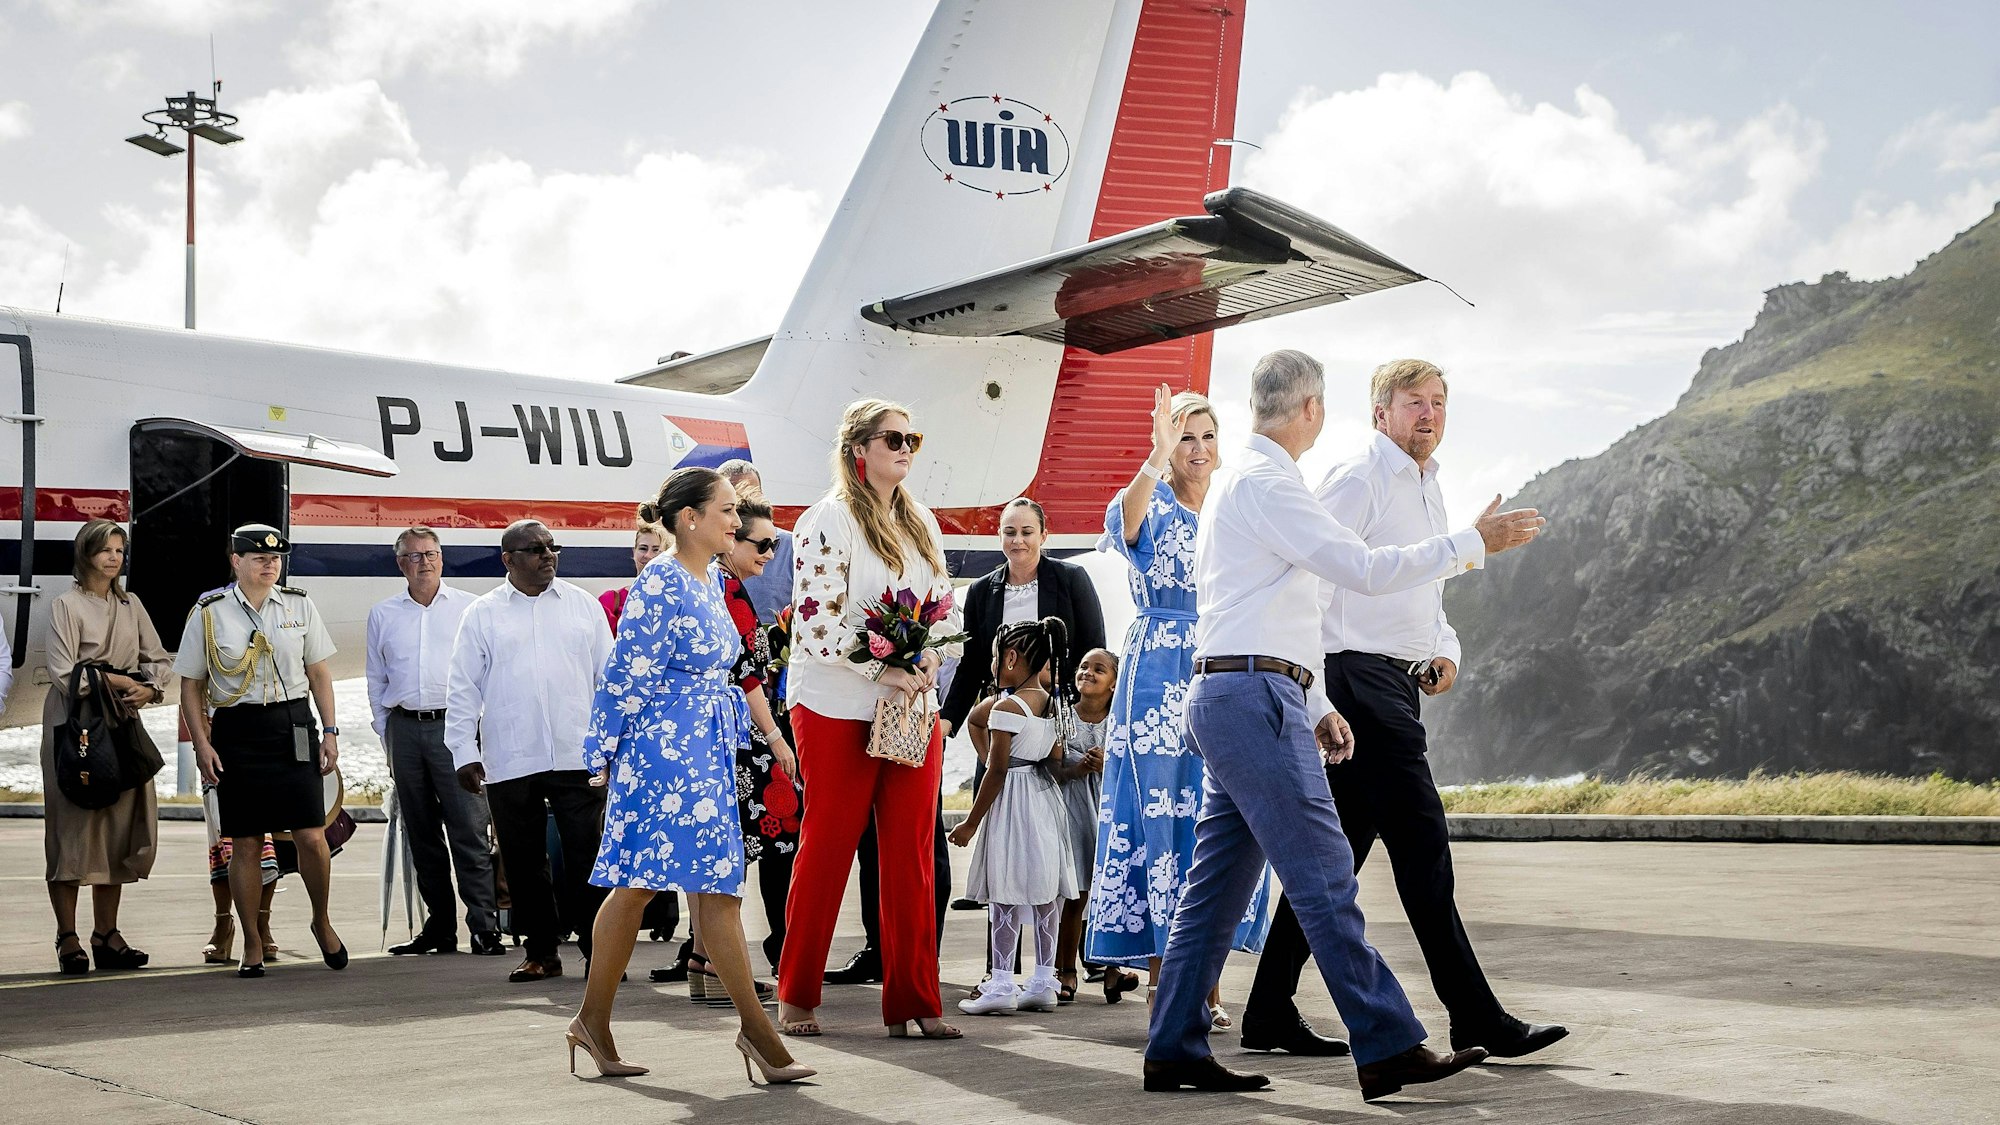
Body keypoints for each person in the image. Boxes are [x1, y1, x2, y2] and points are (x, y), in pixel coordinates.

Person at [1141, 349, 1543, 1099]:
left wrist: (1318, 703)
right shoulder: (1271, 485)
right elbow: (1360, 568)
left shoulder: (1241, 484)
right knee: (1327, 875)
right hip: (1254, 700)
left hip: (1243, 692)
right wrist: (1471, 546)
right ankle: (1388, 1043)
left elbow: (1284, 609)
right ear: (1313, 410)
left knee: (1215, 888)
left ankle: (1173, 1048)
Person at [1243, 359, 1568, 1060]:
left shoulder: (1429, 486)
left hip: (1396, 684)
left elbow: (1427, 596)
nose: (1429, 413)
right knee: (1424, 850)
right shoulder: (1360, 478)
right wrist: (1322, 695)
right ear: (1378, 412)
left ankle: (1268, 1008)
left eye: (1439, 401)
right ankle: (1474, 1014)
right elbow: (1313, 586)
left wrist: (1444, 649)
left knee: (1333, 861)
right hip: (1355, 685)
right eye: (1414, 401)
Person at [568, 468, 816, 1084]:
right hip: (663, 755)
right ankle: (596, 1023)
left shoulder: (710, 581)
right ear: (690, 519)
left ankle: (752, 1032)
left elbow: (734, 672)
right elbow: (626, 674)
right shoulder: (661, 581)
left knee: (718, 890)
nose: (738, 522)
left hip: (704, 750)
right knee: (638, 888)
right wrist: (602, 751)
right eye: (728, 510)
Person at [776, 398, 964, 1040]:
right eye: (893, 438)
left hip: (911, 705)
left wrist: (931, 657)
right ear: (860, 449)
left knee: (912, 850)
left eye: (914, 436)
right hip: (834, 703)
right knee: (828, 842)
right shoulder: (822, 521)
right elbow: (818, 618)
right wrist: (880, 667)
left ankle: (915, 1000)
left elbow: (944, 607)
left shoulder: (923, 524)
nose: (907, 446)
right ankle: (797, 995)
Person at [1085, 385, 1267, 1023]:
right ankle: (1169, 989)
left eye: (1206, 436)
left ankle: (1202, 988)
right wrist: (1152, 458)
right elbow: (1124, 525)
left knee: (1214, 822)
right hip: (1157, 672)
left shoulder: (1233, 507)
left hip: (1222, 662)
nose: (1197, 448)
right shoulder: (1151, 501)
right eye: (1186, 436)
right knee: (1159, 821)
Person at [176, 524, 347, 979]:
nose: (270, 564)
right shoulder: (210, 611)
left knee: (311, 833)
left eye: (275, 558)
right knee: (247, 842)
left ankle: (321, 920)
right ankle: (252, 939)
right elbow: (191, 685)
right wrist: (201, 743)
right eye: (258, 558)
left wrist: (329, 732)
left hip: (291, 723)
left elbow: (319, 673)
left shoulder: (299, 604)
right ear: (236, 562)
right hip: (238, 729)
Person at [447, 519, 613, 983]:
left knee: (587, 855)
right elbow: (462, 687)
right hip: (511, 753)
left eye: (551, 547)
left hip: (576, 752)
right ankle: (541, 952)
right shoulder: (482, 614)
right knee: (522, 859)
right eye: (535, 549)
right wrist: (462, 750)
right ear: (508, 560)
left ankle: (599, 950)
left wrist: (613, 744)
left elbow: (608, 681)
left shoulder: (584, 607)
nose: (547, 556)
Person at [42, 520, 173, 974]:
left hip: (121, 722)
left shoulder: (131, 604)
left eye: (120, 549)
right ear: (86, 555)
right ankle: (67, 937)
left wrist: (150, 691)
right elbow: (64, 674)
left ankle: (106, 935)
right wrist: (120, 679)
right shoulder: (66, 605)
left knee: (119, 829)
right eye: (106, 550)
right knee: (72, 828)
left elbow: (157, 659)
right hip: (75, 724)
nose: (115, 557)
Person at [365, 526, 501, 957]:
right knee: (420, 834)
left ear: (442, 558)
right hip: (404, 728)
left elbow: (488, 675)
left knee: (469, 831)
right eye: (414, 556)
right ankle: (439, 928)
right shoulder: (383, 614)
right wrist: (386, 735)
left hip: (455, 729)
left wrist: (478, 737)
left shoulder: (470, 609)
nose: (424, 562)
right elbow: (376, 679)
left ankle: (484, 926)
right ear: (399, 563)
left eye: (431, 554)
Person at [949, 617, 1075, 1016]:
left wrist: (971, 821)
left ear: (1010, 657)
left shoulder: (1006, 706)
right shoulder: (1053, 704)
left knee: (1005, 885)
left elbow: (997, 770)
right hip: (1044, 800)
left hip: (1012, 801)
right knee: (1043, 890)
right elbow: (1055, 762)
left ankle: (1002, 982)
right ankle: (1042, 980)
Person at [716, 491, 801, 971]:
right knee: (774, 836)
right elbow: (748, 673)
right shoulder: (727, 594)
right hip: (744, 736)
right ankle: (775, 953)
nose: (771, 555)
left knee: (740, 848)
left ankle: (710, 959)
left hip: (741, 732)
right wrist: (774, 736)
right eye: (762, 545)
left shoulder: (726, 588)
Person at [1051, 646, 1116, 1002]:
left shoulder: (1119, 721)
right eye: (1083, 666)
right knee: (1075, 897)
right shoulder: (1063, 716)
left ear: (1113, 684)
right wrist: (1081, 768)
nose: (1087, 673)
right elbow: (1052, 769)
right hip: (1073, 811)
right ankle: (1067, 970)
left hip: (1108, 811)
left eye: (1099, 669)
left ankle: (1112, 969)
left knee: (1111, 893)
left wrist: (1108, 764)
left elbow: (1130, 768)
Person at [717, 460, 793, 626]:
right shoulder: (702, 549)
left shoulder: (793, 548)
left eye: (751, 493)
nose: (743, 502)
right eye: (733, 496)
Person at [599, 523, 668, 632]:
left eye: (656, 550)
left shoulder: (675, 599)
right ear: (634, 551)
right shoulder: (611, 600)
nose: (648, 555)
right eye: (643, 548)